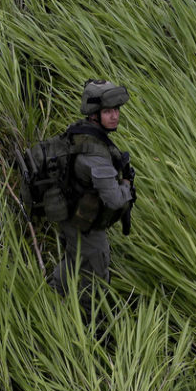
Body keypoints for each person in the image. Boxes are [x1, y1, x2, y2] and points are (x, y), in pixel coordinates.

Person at [49, 79, 134, 304]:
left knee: (74, 259)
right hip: (84, 223)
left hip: (68, 213)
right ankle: (89, 323)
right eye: (107, 111)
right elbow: (115, 200)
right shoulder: (96, 155)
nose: (115, 116)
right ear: (94, 115)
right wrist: (126, 185)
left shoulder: (78, 131)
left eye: (116, 110)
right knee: (95, 276)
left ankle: (51, 296)